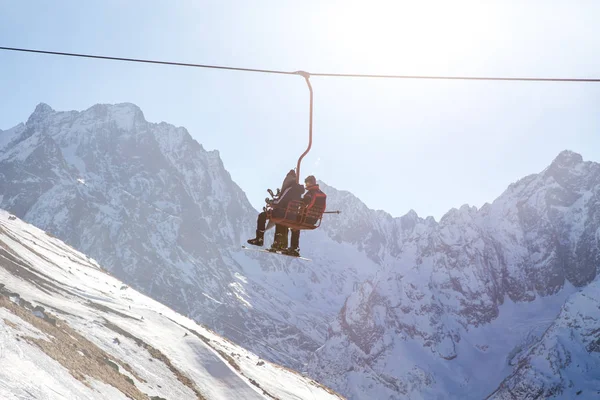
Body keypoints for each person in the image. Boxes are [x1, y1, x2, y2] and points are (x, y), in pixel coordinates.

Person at [247, 169, 304, 248]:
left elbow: (280, 201)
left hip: (283, 213)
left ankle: (259, 239)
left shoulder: (289, 189)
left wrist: (272, 203)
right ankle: (282, 244)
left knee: (262, 215)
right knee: (281, 219)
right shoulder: (299, 191)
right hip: (292, 215)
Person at [284, 175, 327, 256]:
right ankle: (294, 247)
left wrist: (295, 200)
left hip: (306, 218)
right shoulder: (322, 194)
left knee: (287, 219)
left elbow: (303, 202)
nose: (306, 185)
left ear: (310, 183)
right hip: (314, 220)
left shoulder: (310, 193)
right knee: (296, 225)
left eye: (307, 183)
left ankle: (288, 245)